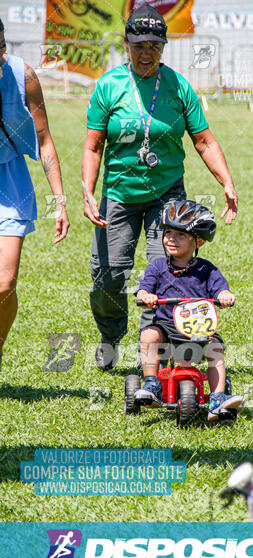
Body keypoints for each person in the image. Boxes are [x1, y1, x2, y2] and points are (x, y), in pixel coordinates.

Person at [81, 4, 238, 371]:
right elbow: (93, 146)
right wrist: (89, 191)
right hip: (118, 195)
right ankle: (109, 334)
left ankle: (155, 353)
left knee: (165, 272)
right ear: (126, 43)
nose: (146, 52)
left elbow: (204, 141)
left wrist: (226, 182)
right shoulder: (109, 85)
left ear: (164, 46)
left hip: (167, 197)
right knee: (108, 276)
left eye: (154, 44)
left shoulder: (178, 86)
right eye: (139, 45)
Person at [135, 200, 244, 422]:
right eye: (168, 232)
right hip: (166, 325)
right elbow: (143, 290)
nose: (172, 239)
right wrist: (146, 297)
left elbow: (220, 288)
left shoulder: (206, 269)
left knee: (215, 348)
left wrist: (224, 296)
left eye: (181, 235)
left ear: (199, 241)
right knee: (148, 334)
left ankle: (218, 397)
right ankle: (151, 383)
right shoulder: (157, 266)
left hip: (199, 325)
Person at [0, 18, 69, 369]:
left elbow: (44, 140)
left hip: (10, 183)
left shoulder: (22, 75)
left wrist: (60, 201)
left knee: (4, 283)